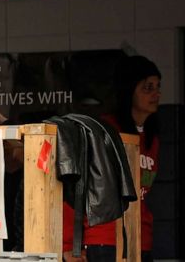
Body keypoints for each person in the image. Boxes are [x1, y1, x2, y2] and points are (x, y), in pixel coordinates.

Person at [61, 55, 162, 262]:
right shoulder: (103, 132)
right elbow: (75, 186)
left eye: (158, 87)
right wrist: (68, 244)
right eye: (147, 87)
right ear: (129, 90)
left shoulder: (152, 140)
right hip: (104, 240)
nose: (156, 94)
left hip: (140, 239)